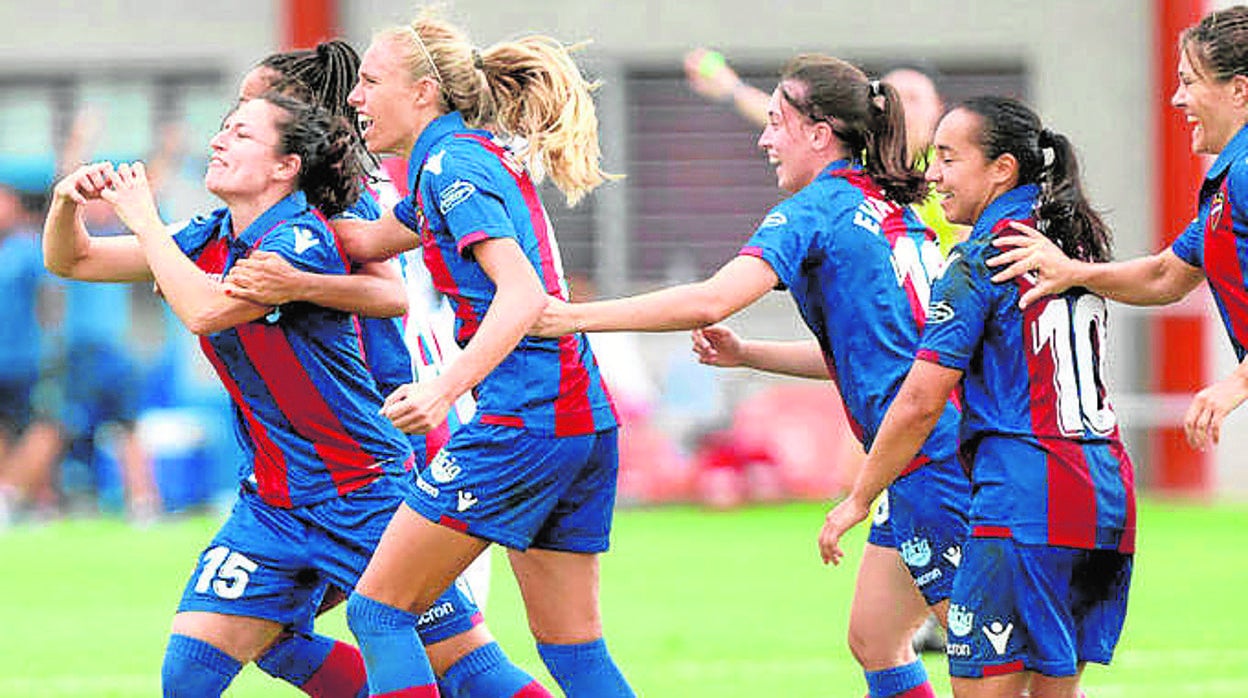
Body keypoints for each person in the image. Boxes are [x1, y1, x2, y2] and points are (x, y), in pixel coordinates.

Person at [41, 94, 520, 698]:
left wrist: (143, 218)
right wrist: (65, 203)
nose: (219, 140)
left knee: (467, 666)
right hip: (270, 502)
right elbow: (74, 259)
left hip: (360, 488)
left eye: (240, 134)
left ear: (284, 167)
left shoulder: (300, 237)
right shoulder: (209, 234)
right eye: (222, 128)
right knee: (190, 671)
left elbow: (206, 311)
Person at [537, 53, 967, 698]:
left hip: (935, 461)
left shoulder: (814, 210)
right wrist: (747, 354)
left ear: (820, 134)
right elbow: (875, 354)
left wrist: (572, 316)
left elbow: (711, 298)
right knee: (876, 637)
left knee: (988, 667)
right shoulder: (885, 202)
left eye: (776, 122)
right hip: (930, 450)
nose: (764, 140)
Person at [303, 15, 628, 697]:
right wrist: (254, 217)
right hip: (579, 421)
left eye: (369, 81)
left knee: (379, 610)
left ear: (423, 93)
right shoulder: (449, 161)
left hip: (525, 424)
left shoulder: (454, 167)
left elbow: (521, 294)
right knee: (573, 654)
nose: (355, 98)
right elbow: (364, 242)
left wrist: (443, 390)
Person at [221, 40, 532, 698]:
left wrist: (291, 284)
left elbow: (391, 294)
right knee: (267, 629)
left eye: (251, 107)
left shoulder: (346, 198)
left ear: (296, 120)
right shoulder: (304, 204)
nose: (233, 121)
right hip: (327, 467)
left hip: (394, 450)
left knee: (448, 655)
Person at [819, 96, 1136, 698]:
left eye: (947, 158)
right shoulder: (1068, 244)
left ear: (1002, 169)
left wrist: (858, 496)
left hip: (1026, 498)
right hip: (1105, 494)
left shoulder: (979, 259)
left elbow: (920, 400)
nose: (933, 174)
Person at [988, 5, 1248, 454]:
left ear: (1239, 91)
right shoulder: (1228, 184)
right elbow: (1164, 276)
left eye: (1189, 82)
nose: (1176, 99)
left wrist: (1235, 384)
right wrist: (1072, 272)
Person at [685, 48, 963, 255]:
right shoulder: (856, 158)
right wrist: (732, 89)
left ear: (938, 106)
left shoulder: (954, 170)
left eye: (913, 98)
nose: (901, 109)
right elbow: (798, 123)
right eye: (894, 97)